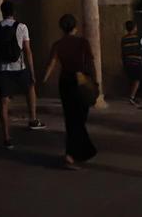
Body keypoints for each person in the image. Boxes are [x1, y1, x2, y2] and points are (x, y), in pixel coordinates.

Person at [41, 14, 97, 170]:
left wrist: (43, 80)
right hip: (81, 82)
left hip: (65, 82)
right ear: (75, 27)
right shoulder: (83, 43)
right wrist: (95, 82)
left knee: (71, 118)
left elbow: (51, 63)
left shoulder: (58, 44)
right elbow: (91, 64)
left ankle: (75, 153)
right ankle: (71, 154)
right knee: (79, 118)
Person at [0, 0, 45, 149]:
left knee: (4, 102)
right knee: (30, 88)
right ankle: (33, 119)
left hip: (3, 70)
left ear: (2, 11)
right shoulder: (21, 27)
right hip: (19, 68)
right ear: (14, 12)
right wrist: (32, 72)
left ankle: (6, 138)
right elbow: (27, 51)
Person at [120, 20, 142, 105]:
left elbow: (122, 52)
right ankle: (132, 97)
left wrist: (124, 62)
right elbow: (141, 50)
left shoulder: (124, 38)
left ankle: (132, 96)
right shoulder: (137, 38)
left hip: (127, 62)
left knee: (131, 79)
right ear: (134, 28)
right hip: (136, 61)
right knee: (137, 80)